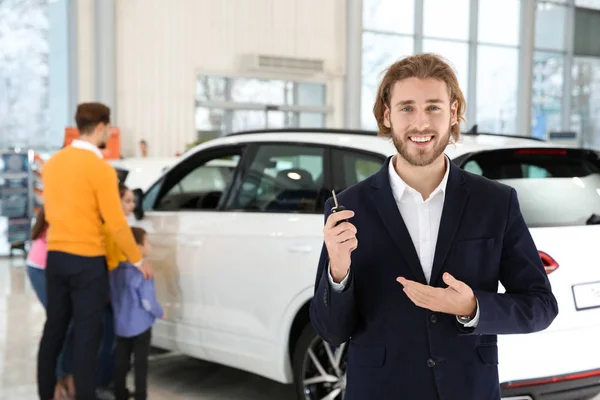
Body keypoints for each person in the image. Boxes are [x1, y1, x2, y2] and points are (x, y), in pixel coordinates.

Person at [309, 53, 559, 400]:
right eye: (407, 108)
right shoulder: (349, 208)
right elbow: (331, 331)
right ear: (387, 115)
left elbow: (541, 306)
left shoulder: (495, 202)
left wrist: (472, 308)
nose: (421, 123)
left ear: (453, 112)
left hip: (468, 390)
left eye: (434, 107)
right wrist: (338, 271)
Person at [38, 102, 152, 400]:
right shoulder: (101, 169)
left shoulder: (53, 164)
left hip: (56, 258)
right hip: (87, 261)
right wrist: (137, 259)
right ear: (102, 127)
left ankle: (45, 395)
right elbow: (115, 223)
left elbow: (50, 212)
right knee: (88, 338)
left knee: (54, 332)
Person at [25, 207, 75, 399]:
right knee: (60, 323)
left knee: (69, 324)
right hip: (41, 268)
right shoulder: (59, 206)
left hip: (55, 269)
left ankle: (65, 375)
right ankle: (56, 379)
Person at [111, 227, 164, 400]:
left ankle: (120, 392)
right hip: (141, 326)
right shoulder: (144, 273)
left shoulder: (115, 271)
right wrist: (160, 312)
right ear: (137, 247)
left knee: (121, 362)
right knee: (141, 363)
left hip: (120, 325)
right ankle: (141, 395)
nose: (150, 245)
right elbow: (147, 301)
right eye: (147, 241)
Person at [96, 183, 138, 399]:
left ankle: (111, 383)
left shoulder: (117, 224)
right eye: (127, 201)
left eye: (133, 201)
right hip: (111, 288)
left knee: (114, 339)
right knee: (109, 339)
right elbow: (112, 260)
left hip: (116, 287)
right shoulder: (113, 227)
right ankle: (103, 384)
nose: (132, 205)